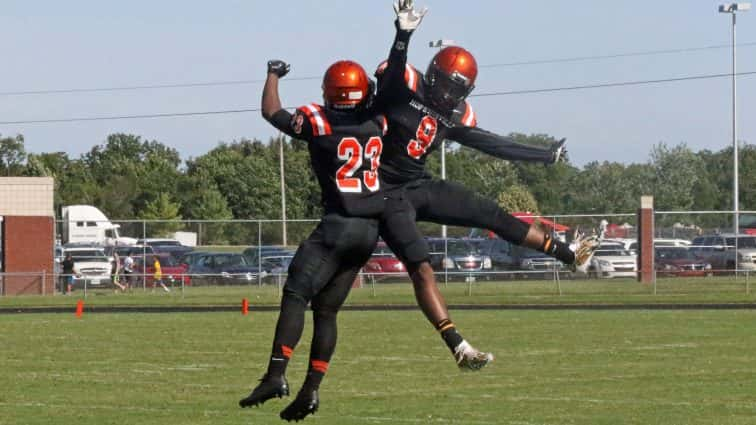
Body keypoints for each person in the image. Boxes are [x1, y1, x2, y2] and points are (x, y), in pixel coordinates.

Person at [240, 58, 489, 422]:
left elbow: (271, 110)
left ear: (328, 92)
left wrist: (273, 75)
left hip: (337, 223)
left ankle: (276, 375)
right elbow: (396, 111)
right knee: (326, 311)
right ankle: (310, 391)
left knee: (296, 294)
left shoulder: (317, 120)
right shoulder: (379, 122)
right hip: (368, 230)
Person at [373, 0, 600, 271]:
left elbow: (495, 145)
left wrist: (544, 155)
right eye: (444, 84)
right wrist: (403, 35)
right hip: (381, 187)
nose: (447, 95)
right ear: (433, 75)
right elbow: (393, 73)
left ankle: (570, 255)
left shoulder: (456, 117)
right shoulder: (407, 87)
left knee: (491, 214)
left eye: (455, 90)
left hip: (418, 185)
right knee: (418, 260)